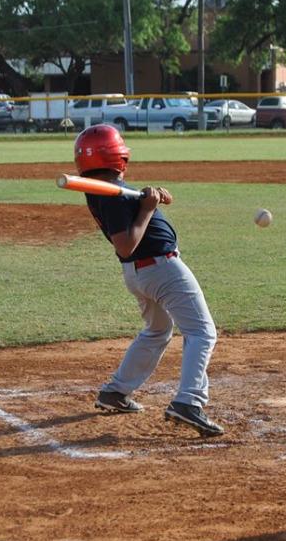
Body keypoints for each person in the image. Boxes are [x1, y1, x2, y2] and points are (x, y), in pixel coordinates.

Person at [74, 124, 223, 437]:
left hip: (142, 273)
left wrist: (149, 198)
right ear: (117, 154)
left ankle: (115, 393)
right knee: (202, 331)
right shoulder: (111, 194)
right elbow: (126, 244)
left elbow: (132, 213)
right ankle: (189, 402)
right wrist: (147, 209)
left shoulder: (108, 189)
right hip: (160, 269)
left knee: (157, 330)